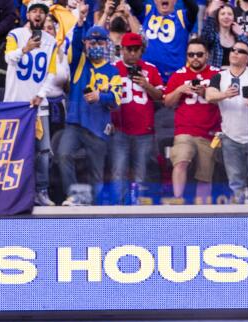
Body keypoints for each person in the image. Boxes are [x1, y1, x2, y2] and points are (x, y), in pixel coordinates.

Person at [55, 21, 118, 206]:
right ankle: (75, 196)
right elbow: (74, 43)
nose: (96, 46)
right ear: (86, 44)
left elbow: (117, 98)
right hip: (74, 124)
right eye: (92, 42)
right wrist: (80, 24)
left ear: (106, 44)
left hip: (98, 127)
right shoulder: (78, 62)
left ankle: (96, 208)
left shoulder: (112, 71)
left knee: (96, 173)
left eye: (100, 43)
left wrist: (101, 96)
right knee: (63, 154)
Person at [5, 0, 58, 206]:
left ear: (45, 17)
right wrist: (24, 49)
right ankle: (13, 192)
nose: (38, 15)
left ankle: (41, 191)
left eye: (41, 12)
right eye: (34, 11)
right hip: (15, 104)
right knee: (13, 150)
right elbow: (9, 58)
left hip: (38, 105)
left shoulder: (51, 42)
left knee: (43, 150)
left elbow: (51, 73)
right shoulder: (15, 35)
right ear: (28, 15)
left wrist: (42, 94)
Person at [205, 39, 248, 204]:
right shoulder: (219, 76)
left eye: (241, 51)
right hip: (230, 136)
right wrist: (225, 94)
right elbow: (209, 95)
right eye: (233, 50)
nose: (235, 53)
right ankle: (242, 215)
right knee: (235, 181)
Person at [162, 37, 218, 205]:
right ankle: (177, 200)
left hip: (209, 133)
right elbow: (167, 103)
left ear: (207, 55)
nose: (195, 58)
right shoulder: (178, 75)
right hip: (184, 131)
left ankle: (203, 210)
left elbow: (224, 100)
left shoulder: (216, 74)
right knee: (181, 161)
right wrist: (180, 89)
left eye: (199, 54)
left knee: (205, 175)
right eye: (191, 54)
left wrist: (204, 92)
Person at [109, 31, 162, 205]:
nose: (132, 53)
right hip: (120, 129)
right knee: (118, 171)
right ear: (121, 49)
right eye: (129, 49)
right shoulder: (112, 68)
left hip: (144, 131)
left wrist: (146, 85)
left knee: (141, 173)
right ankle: (118, 209)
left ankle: (138, 209)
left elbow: (160, 96)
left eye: (136, 49)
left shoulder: (151, 69)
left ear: (141, 50)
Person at [140, 0, 191, 80]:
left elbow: (194, 9)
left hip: (173, 77)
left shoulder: (182, 16)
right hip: (147, 76)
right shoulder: (147, 11)